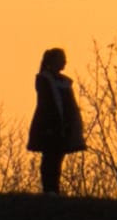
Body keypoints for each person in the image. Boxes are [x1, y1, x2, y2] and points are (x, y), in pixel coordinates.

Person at [26, 47, 86, 194]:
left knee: (57, 158)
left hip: (63, 126)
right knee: (50, 157)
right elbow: (46, 105)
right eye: (62, 59)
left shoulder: (64, 82)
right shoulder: (44, 80)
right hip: (49, 126)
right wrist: (49, 125)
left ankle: (54, 189)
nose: (65, 62)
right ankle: (49, 189)